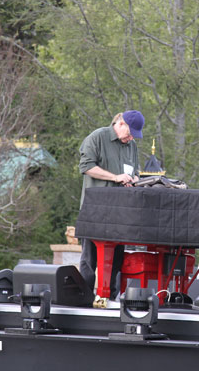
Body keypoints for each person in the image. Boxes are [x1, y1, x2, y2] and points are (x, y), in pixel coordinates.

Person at [78, 110, 144, 301]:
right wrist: (115, 177)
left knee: (116, 260)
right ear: (121, 123)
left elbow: (136, 171)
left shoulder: (131, 146)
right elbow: (86, 167)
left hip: (120, 213)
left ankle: (111, 299)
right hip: (95, 211)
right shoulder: (97, 137)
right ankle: (84, 299)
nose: (132, 138)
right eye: (130, 133)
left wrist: (134, 180)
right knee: (89, 260)